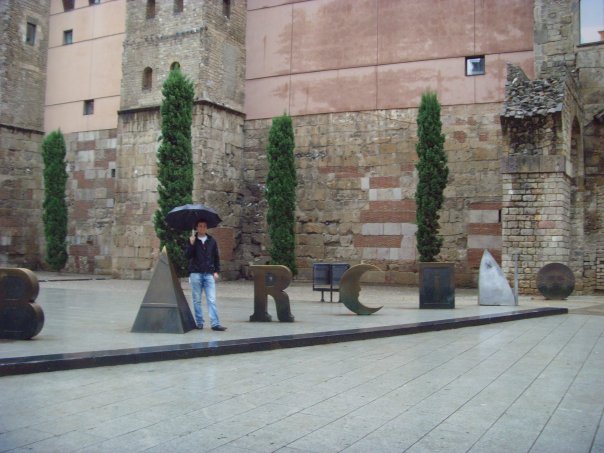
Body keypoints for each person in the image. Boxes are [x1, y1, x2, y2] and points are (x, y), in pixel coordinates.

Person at [185, 220, 227, 331]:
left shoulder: (212, 241)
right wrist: (191, 244)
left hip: (208, 273)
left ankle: (215, 324)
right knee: (197, 300)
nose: (202, 228)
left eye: (204, 226)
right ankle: (199, 323)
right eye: (200, 226)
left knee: (211, 299)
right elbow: (187, 256)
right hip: (196, 273)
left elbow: (216, 257)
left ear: (206, 228)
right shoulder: (192, 240)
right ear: (197, 228)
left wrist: (216, 271)